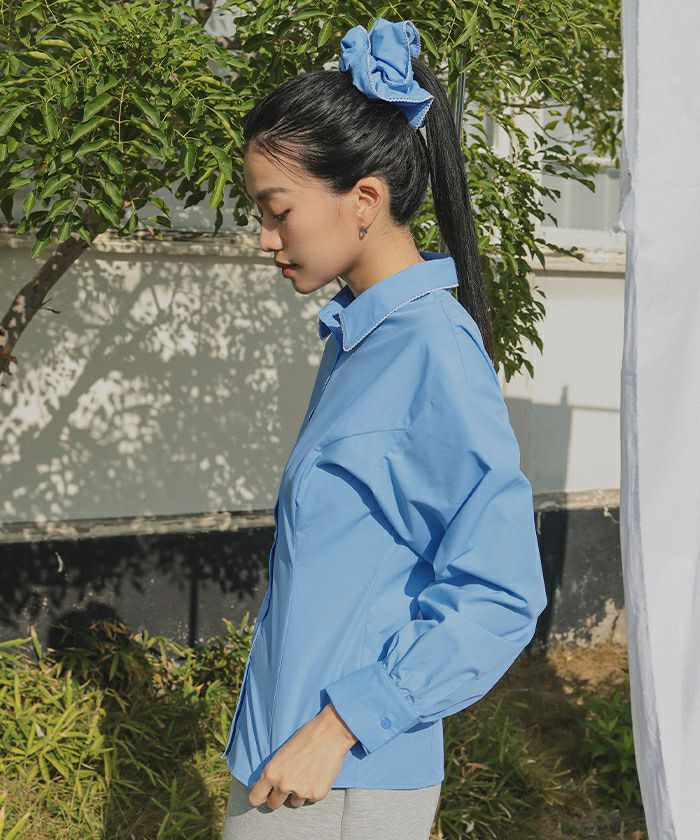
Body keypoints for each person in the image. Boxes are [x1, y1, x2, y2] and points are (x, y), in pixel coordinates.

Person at [220, 16, 548, 840]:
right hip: (286, 760)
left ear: (364, 200)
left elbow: (501, 591)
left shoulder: (430, 351)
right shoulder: (362, 338)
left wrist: (338, 728)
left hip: (337, 783)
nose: (265, 238)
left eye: (277, 210)